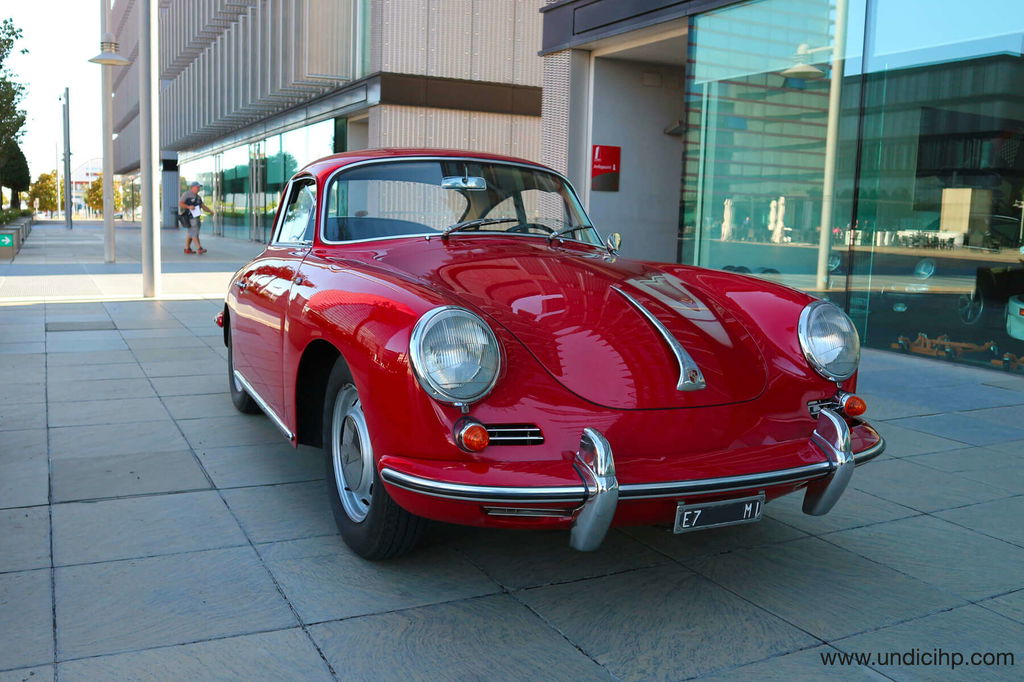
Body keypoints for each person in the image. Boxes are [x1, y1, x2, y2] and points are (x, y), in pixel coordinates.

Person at [178, 181, 214, 254]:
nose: (198, 188)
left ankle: (187, 249)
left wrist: (210, 211)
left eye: (199, 187)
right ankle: (199, 248)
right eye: (197, 187)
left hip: (197, 217)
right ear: (192, 187)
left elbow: (203, 206)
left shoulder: (198, 197)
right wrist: (189, 207)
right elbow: (180, 203)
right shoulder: (187, 194)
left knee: (191, 233)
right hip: (190, 217)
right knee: (194, 232)